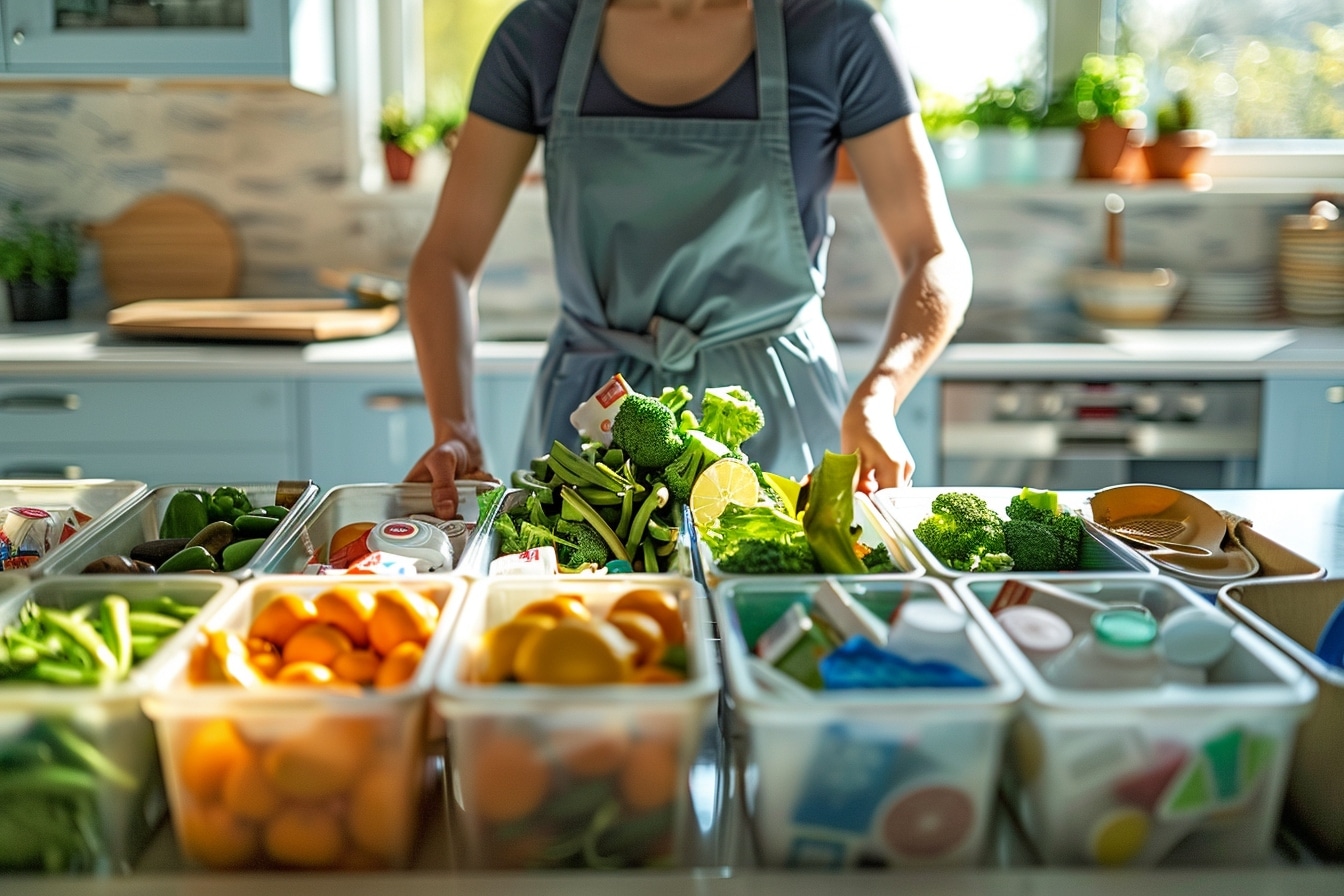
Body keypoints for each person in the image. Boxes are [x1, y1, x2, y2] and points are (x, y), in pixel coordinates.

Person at [406, 0, 972, 519]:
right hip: (592, 430)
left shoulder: (836, 33)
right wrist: (455, 426)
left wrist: (879, 395)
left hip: (781, 414)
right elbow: (447, 258)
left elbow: (935, 253)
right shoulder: (539, 36)